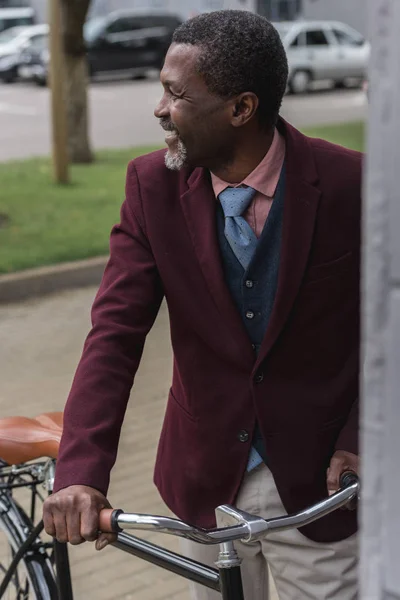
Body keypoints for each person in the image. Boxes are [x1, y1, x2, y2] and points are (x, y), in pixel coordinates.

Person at [43, 10, 361, 600]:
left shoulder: (353, 186)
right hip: (203, 486)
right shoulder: (150, 188)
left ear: (241, 109)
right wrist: (81, 473)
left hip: (324, 493)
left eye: (175, 93)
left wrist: (364, 434)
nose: (159, 109)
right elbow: (113, 335)